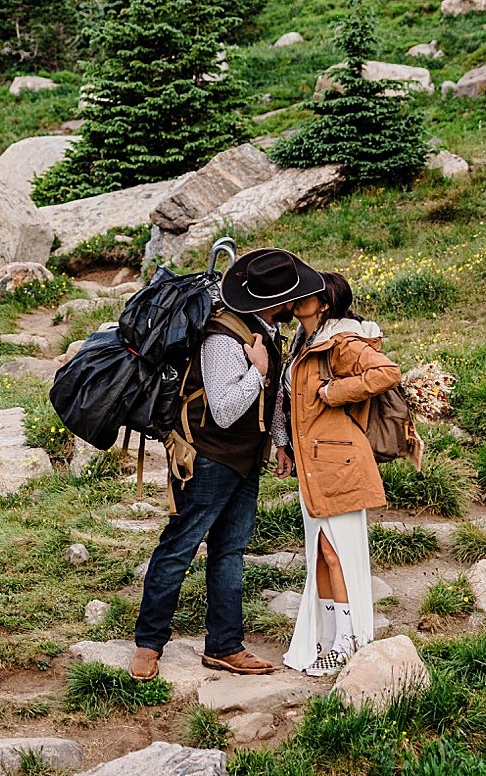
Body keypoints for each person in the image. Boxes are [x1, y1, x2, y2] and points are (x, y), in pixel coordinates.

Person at [129, 248, 325, 681]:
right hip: (208, 459)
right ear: (275, 302)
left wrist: (279, 442)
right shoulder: (223, 338)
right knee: (179, 547)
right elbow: (223, 409)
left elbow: (272, 395)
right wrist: (256, 370)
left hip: (243, 460)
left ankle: (224, 646)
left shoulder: (267, 332)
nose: (297, 304)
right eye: (291, 297)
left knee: (230, 552)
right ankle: (148, 644)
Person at [272, 270, 401, 676]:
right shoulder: (303, 341)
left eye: (306, 295)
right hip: (313, 461)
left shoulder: (341, 341)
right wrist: (285, 446)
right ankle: (329, 638)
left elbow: (386, 372)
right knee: (321, 555)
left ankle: (347, 640)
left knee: (335, 551)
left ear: (324, 304)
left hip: (339, 461)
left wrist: (334, 393)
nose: (296, 299)